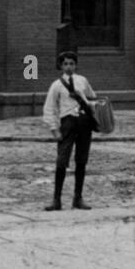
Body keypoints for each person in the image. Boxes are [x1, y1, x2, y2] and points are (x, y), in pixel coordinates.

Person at [42, 51, 97, 210]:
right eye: (65, 64)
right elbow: (49, 107)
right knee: (62, 161)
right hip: (67, 123)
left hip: (84, 122)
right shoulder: (57, 85)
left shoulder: (83, 81)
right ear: (61, 66)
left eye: (72, 64)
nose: (69, 67)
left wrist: (92, 108)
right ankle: (56, 200)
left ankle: (78, 198)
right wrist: (54, 130)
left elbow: (92, 97)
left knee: (81, 160)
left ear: (76, 65)